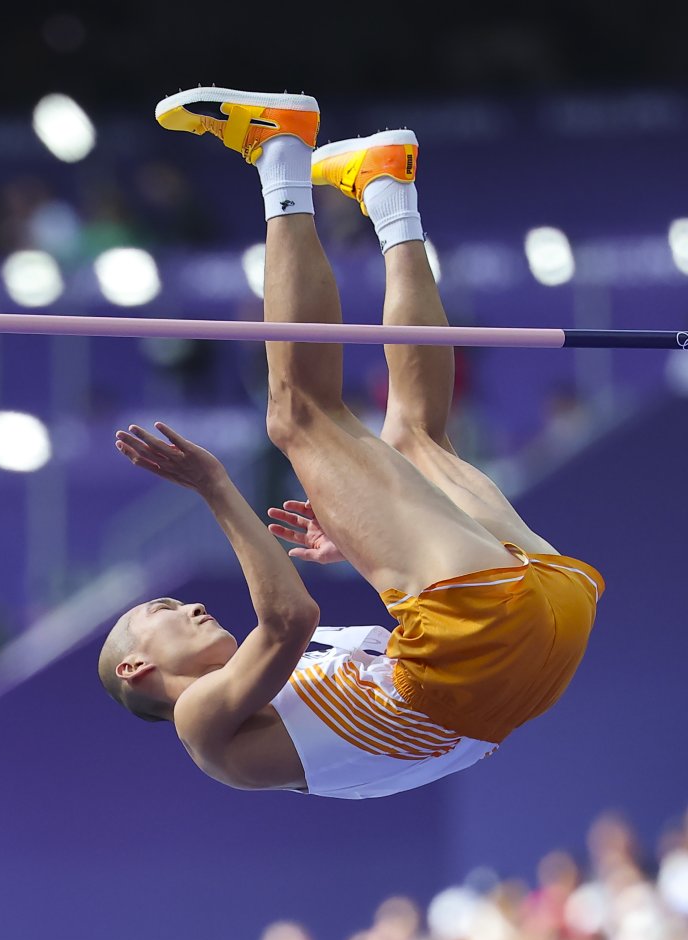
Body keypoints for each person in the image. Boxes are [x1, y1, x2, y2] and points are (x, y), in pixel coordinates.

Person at [98, 87, 604, 800]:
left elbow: (379, 660)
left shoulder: (287, 692)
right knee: (296, 415)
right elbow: (290, 618)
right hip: (484, 651)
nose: (186, 607)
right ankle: (278, 151)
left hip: (540, 631)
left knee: (417, 438)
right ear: (135, 669)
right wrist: (216, 485)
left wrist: (366, 532)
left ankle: (388, 189)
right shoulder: (201, 724)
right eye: (160, 616)